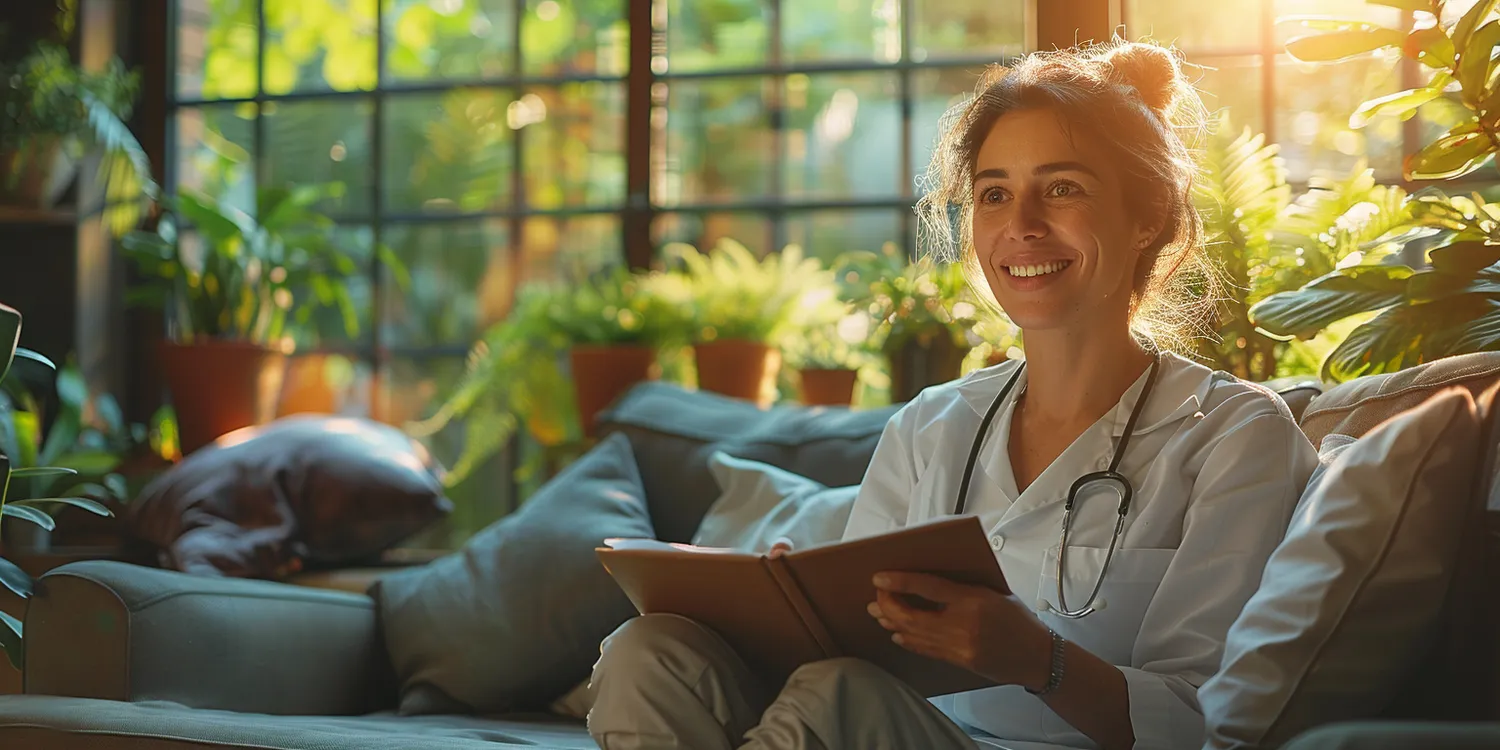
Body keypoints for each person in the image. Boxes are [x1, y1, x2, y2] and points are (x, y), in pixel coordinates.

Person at [585, 39, 1320, 750]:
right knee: (648, 651)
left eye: (1062, 188)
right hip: (891, 731)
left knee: (840, 696)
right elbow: (855, 652)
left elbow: (1210, 723)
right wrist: (784, 615)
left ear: (1148, 215)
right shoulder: (932, 424)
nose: (1022, 226)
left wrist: (1040, 661)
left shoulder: (1233, 436)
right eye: (995, 194)